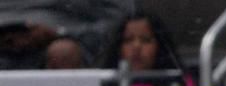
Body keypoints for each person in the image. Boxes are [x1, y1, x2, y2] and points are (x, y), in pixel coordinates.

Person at [0, 0, 132, 69]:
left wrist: (60, 32)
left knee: (63, 51)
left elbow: (117, 17)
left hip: (65, 41)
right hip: (5, 40)